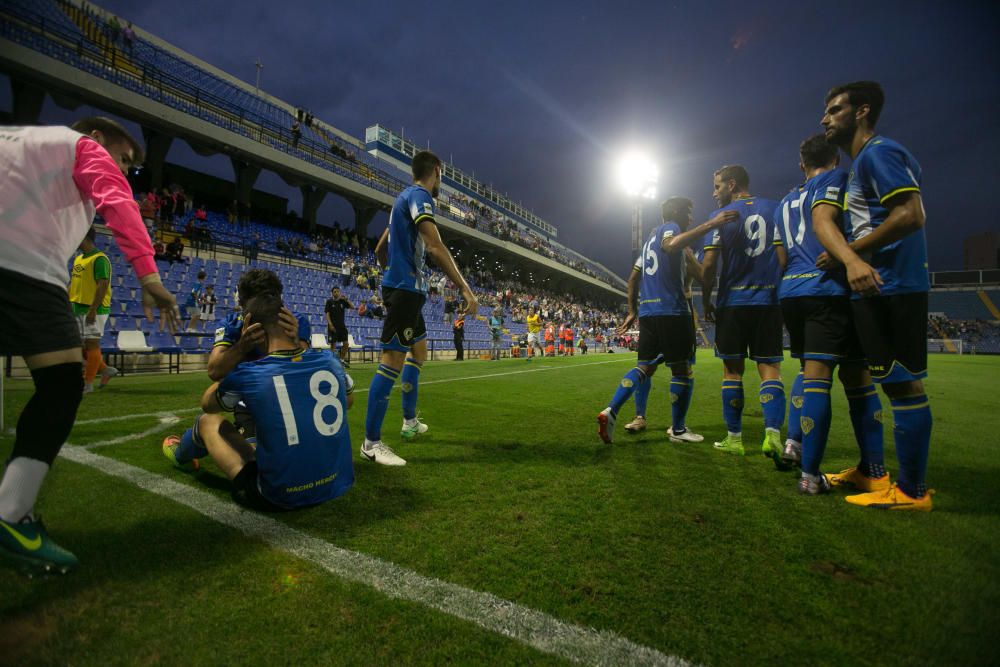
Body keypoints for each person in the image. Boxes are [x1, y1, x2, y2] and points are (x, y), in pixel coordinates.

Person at [0, 117, 180, 574]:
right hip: (22, 266)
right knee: (62, 381)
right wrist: (149, 275)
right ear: (98, 138)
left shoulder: (15, 138)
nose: (125, 170)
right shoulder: (82, 146)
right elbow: (118, 202)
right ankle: (10, 514)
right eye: (124, 159)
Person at [814, 81, 933, 510]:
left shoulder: (879, 152)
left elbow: (910, 214)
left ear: (861, 111)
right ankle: (872, 471)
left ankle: (912, 492)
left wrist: (852, 256)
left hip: (891, 283)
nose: (825, 118)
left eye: (834, 110)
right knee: (869, 380)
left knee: (903, 386)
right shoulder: (863, 160)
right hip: (873, 282)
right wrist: (847, 257)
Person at [163, 293, 354, 511]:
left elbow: (207, 403)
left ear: (252, 329)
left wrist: (242, 352)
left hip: (281, 495)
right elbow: (347, 401)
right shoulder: (330, 359)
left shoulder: (249, 373)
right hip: (337, 482)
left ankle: (180, 455)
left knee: (207, 421)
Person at [774, 133, 887, 495]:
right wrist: (847, 256)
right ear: (836, 159)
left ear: (801, 164)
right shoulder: (838, 179)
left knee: (816, 374)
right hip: (827, 290)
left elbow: (780, 258)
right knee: (850, 379)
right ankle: (813, 476)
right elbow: (828, 225)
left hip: (792, 291)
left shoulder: (785, 202)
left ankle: (796, 444)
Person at [364, 150, 479, 465]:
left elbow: (379, 248)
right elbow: (435, 245)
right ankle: (371, 443)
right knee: (392, 360)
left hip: (406, 289)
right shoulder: (419, 196)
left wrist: (391, 274)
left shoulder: (401, 199)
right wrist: (466, 289)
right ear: (437, 172)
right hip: (405, 289)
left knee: (419, 352)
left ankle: (409, 421)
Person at [598, 197, 730, 443]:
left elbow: (632, 279)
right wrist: (711, 226)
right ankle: (678, 430)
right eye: (689, 213)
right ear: (678, 212)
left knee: (644, 368)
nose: (691, 218)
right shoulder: (672, 231)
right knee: (682, 370)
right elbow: (678, 251)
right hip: (673, 311)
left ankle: (612, 410)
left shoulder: (649, 242)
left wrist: (632, 310)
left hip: (648, 313)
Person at [701, 166, 784, 457]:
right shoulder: (776, 209)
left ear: (732, 185)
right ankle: (773, 435)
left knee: (732, 371)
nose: (714, 193)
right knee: (770, 368)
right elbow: (786, 253)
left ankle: (734, 439)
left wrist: (707, 298)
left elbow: (709, 265)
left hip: (733, 303)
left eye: (717, 186)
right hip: (768, 301)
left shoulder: (720, 218)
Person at [68, 226, 118, 393]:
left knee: (91, 343)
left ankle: (87, 383)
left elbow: (102, 285)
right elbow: (73, 283)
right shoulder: (78, 259)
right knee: (78, 345)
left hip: (94, 309)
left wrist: (92, 310)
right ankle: (105, 369)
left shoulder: (100, 259)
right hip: (77, 307)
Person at [325, 286, 355, 367]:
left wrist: (347, 299)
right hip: (333, 326)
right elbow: (327, 314)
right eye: (335, 291)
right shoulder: (329, 302)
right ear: (332, 293)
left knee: (346, 343)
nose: (336, 293)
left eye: (338, 291)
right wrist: (330, 324)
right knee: (333, 345)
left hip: (342, 327)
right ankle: (332, 362)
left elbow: (353, 307)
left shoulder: (342, 301)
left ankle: (341, 360)